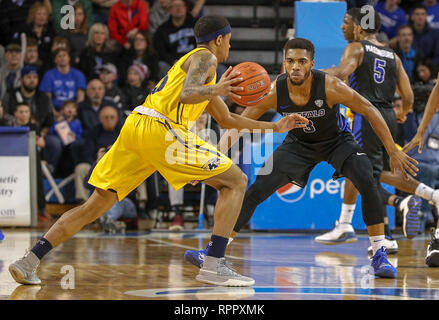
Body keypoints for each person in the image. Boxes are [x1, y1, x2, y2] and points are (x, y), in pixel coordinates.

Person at [8, 15, 307, 286]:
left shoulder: (196, 66)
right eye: (228, 40)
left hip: (136, 127)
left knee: (94, 206)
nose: (229, 46)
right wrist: (216, 89)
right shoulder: (205, 58)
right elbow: (188, 93)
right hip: (161, 129)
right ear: (219, 39)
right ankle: (214, 263)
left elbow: (227, 119)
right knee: (237, 181)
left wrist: (276, 127)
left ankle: (29, 260)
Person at [184, 36, 419, 279]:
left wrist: (393, 150)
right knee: (255, 191)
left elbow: (370, 109)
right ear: (284, 63)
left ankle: (380, 254)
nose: (295, 66)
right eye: (290, 61)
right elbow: (238, 125)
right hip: (298, 144)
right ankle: (214, 253)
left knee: (366, 178)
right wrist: (215, 156)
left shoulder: (330, 86)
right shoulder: (276, 90)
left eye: (302, 61)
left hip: (337, 141)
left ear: (311, 64)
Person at [314, 8, 439, 247]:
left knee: (362, 172)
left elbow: (340, 74)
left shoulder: (356, 47)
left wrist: (311, 74)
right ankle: (364, 228)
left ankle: (414, 202)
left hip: (366, 117)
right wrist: (401, 113)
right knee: (376, 172)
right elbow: (409, 95)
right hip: (389, 117)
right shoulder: (393, 55)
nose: (342, 27)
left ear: (359, 27)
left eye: (346, 22)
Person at [403, 80, 439, 267]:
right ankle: (429, 223)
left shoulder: (410, 116)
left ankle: (418, 209)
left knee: (382, 172)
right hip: (429, 164)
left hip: (416, 162)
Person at [153, 0, 197, 76]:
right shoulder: (162, 30)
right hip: (173, 63)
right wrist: (172, 61)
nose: (178, 8)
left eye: (181, 6)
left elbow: (203, 43)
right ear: (169, 10)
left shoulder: (196, 24)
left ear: (185, 8)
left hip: (195, 60)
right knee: (161, 65)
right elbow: (161, 51)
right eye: (175, 6)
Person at [39, 48, 87, 113]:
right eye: (59, 56)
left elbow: (80, 99)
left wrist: (71, 113)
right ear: (55, 60)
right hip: (54, 111)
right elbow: (47, 99)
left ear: (69, 58)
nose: (62, 58)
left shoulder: (78, 74)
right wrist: (54, 113)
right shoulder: (49, 75)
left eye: (64, 55)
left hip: (74, 112)